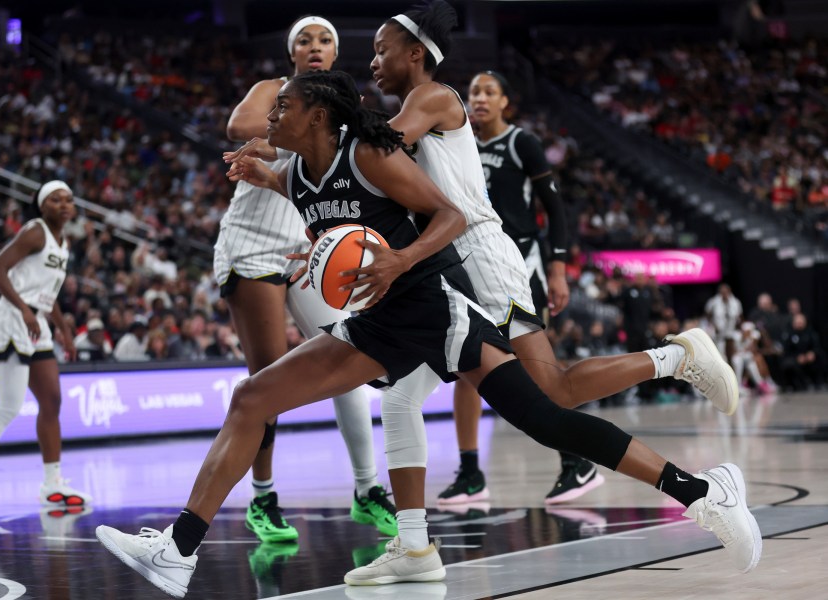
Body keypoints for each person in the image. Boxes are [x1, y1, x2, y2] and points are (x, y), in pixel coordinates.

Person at [95, 69, 761, 600]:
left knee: (548, 418)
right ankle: (179, 551)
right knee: (251, 400)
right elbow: (333, 229)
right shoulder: (299, 173)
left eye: (283, 109)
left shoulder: (371, 154)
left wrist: (399, 260)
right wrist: (277, 198)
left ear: (318, 117)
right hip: (379, 324)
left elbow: (449, 216)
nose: (272, 118)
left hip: (436, 307)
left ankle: (703, 492)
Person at [213, 15, 394, 543]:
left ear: (336, 55)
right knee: (267, 375)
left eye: (325, 41)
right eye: (304, 41)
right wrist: (280, 136)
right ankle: (263, 498)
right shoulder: (274, 93)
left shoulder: (345, 110)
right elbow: (237, 127)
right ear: (292, 54)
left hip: (309, 243)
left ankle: (366, 490)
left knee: (348, 356)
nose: (315, 47)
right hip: (254, 243)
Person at [446, 68, 600, 507]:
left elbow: (554, 207)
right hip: (471, 263)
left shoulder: (521, 143)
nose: (478, 98)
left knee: (538, 370)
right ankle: (471, 471)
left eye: (488, 92)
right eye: (473, 91)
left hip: (519, 265)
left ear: (504, 103)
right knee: (465, 366)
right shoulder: (459, 144)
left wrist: (556, 267)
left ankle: (576, 461)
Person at [0, 180, 91, 512]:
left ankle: (52, 483)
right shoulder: (35, 231)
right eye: (55, 199)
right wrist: (25, 311)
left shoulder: (62, 242)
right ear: (42, 206)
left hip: (35, 320)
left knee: (52, 400)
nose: (64, 204)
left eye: (68, 199)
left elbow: (49, 293)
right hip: (13, 317)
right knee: (10, 405)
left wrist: (64, 330)